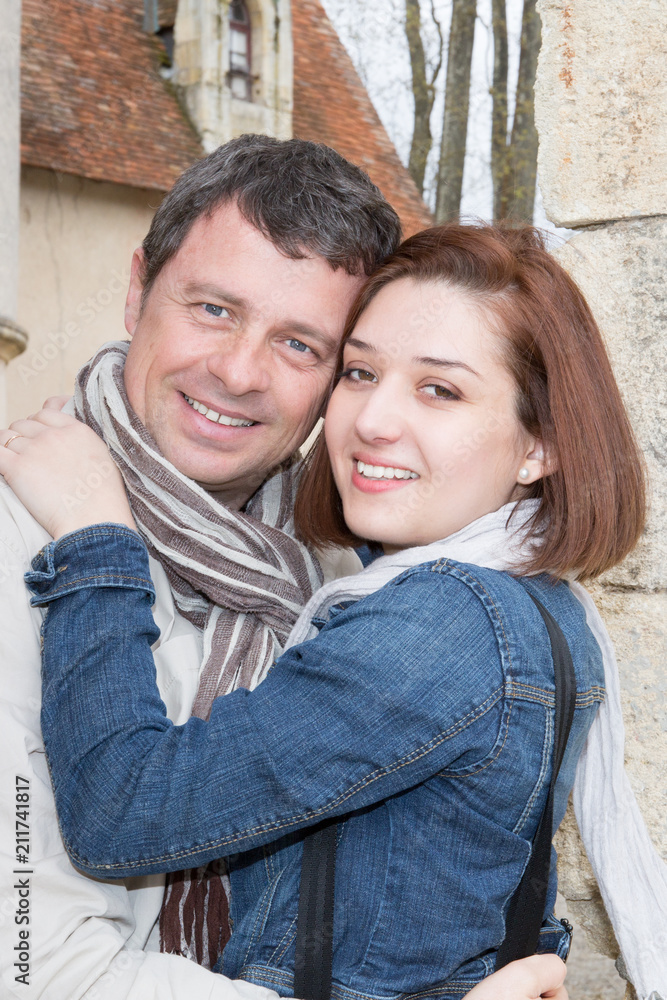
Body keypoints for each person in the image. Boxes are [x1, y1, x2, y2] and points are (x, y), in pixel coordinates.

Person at [0, 225, 651, 995]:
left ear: (539, 445)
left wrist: (97, 538)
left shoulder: (440, 626)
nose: (372, 420)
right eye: (359, 371)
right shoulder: (523, 601)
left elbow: (125, 810)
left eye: (439, 389)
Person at [0, 134, 398, 1000]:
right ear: (139, 289)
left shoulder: (332, 574)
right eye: (213, 309)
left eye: (300, 345)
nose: (238, 372)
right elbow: (37, 969)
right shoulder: (15, 547)